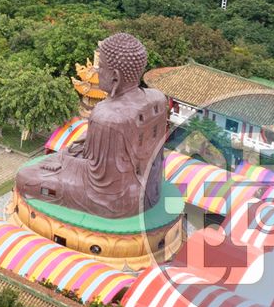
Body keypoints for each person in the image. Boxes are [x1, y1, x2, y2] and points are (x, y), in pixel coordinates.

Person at [15, 32, 167, 219]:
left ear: (115, 77)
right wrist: (72, 151)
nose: (96, 72)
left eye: (100, 67)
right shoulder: (157, 98)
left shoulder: (107, 116)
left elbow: (98, 180)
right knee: (61, 155)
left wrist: (63, 160)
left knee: (25, 177)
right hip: (150, 189)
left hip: (116, 201)